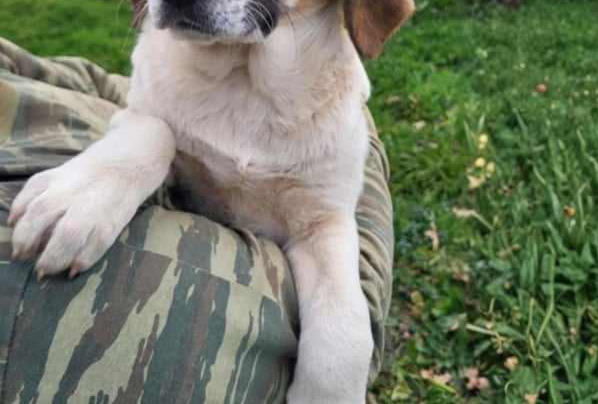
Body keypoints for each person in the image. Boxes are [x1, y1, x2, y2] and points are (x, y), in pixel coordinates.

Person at [0, 37, 394, 403]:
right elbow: (141, 118)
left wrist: (337, 369)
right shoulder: (162, 63)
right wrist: (132, 155)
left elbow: (321, 226)